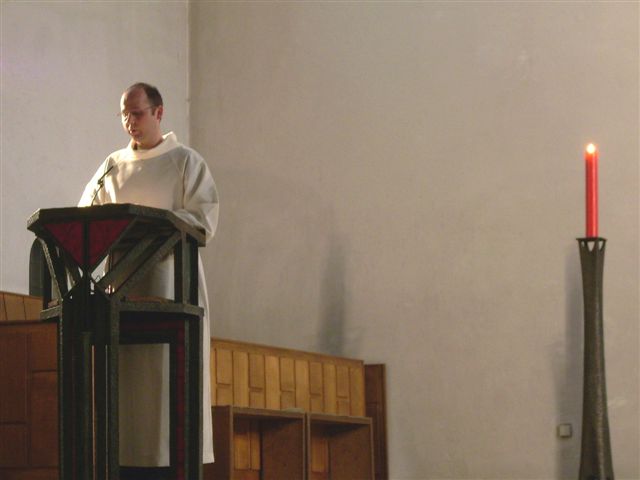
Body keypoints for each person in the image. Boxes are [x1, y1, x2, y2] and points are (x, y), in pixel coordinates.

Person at [79, 82, 218, 477]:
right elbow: (84, 218)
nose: (130, 122)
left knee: (166, 388)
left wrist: (152, 228)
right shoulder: (111, 167)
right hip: (121, 292)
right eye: (124, 114)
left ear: (159, 112)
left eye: (137, 113)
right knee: (127, 395)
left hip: (171, 286)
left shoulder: (186, 162)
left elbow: (203, 220)